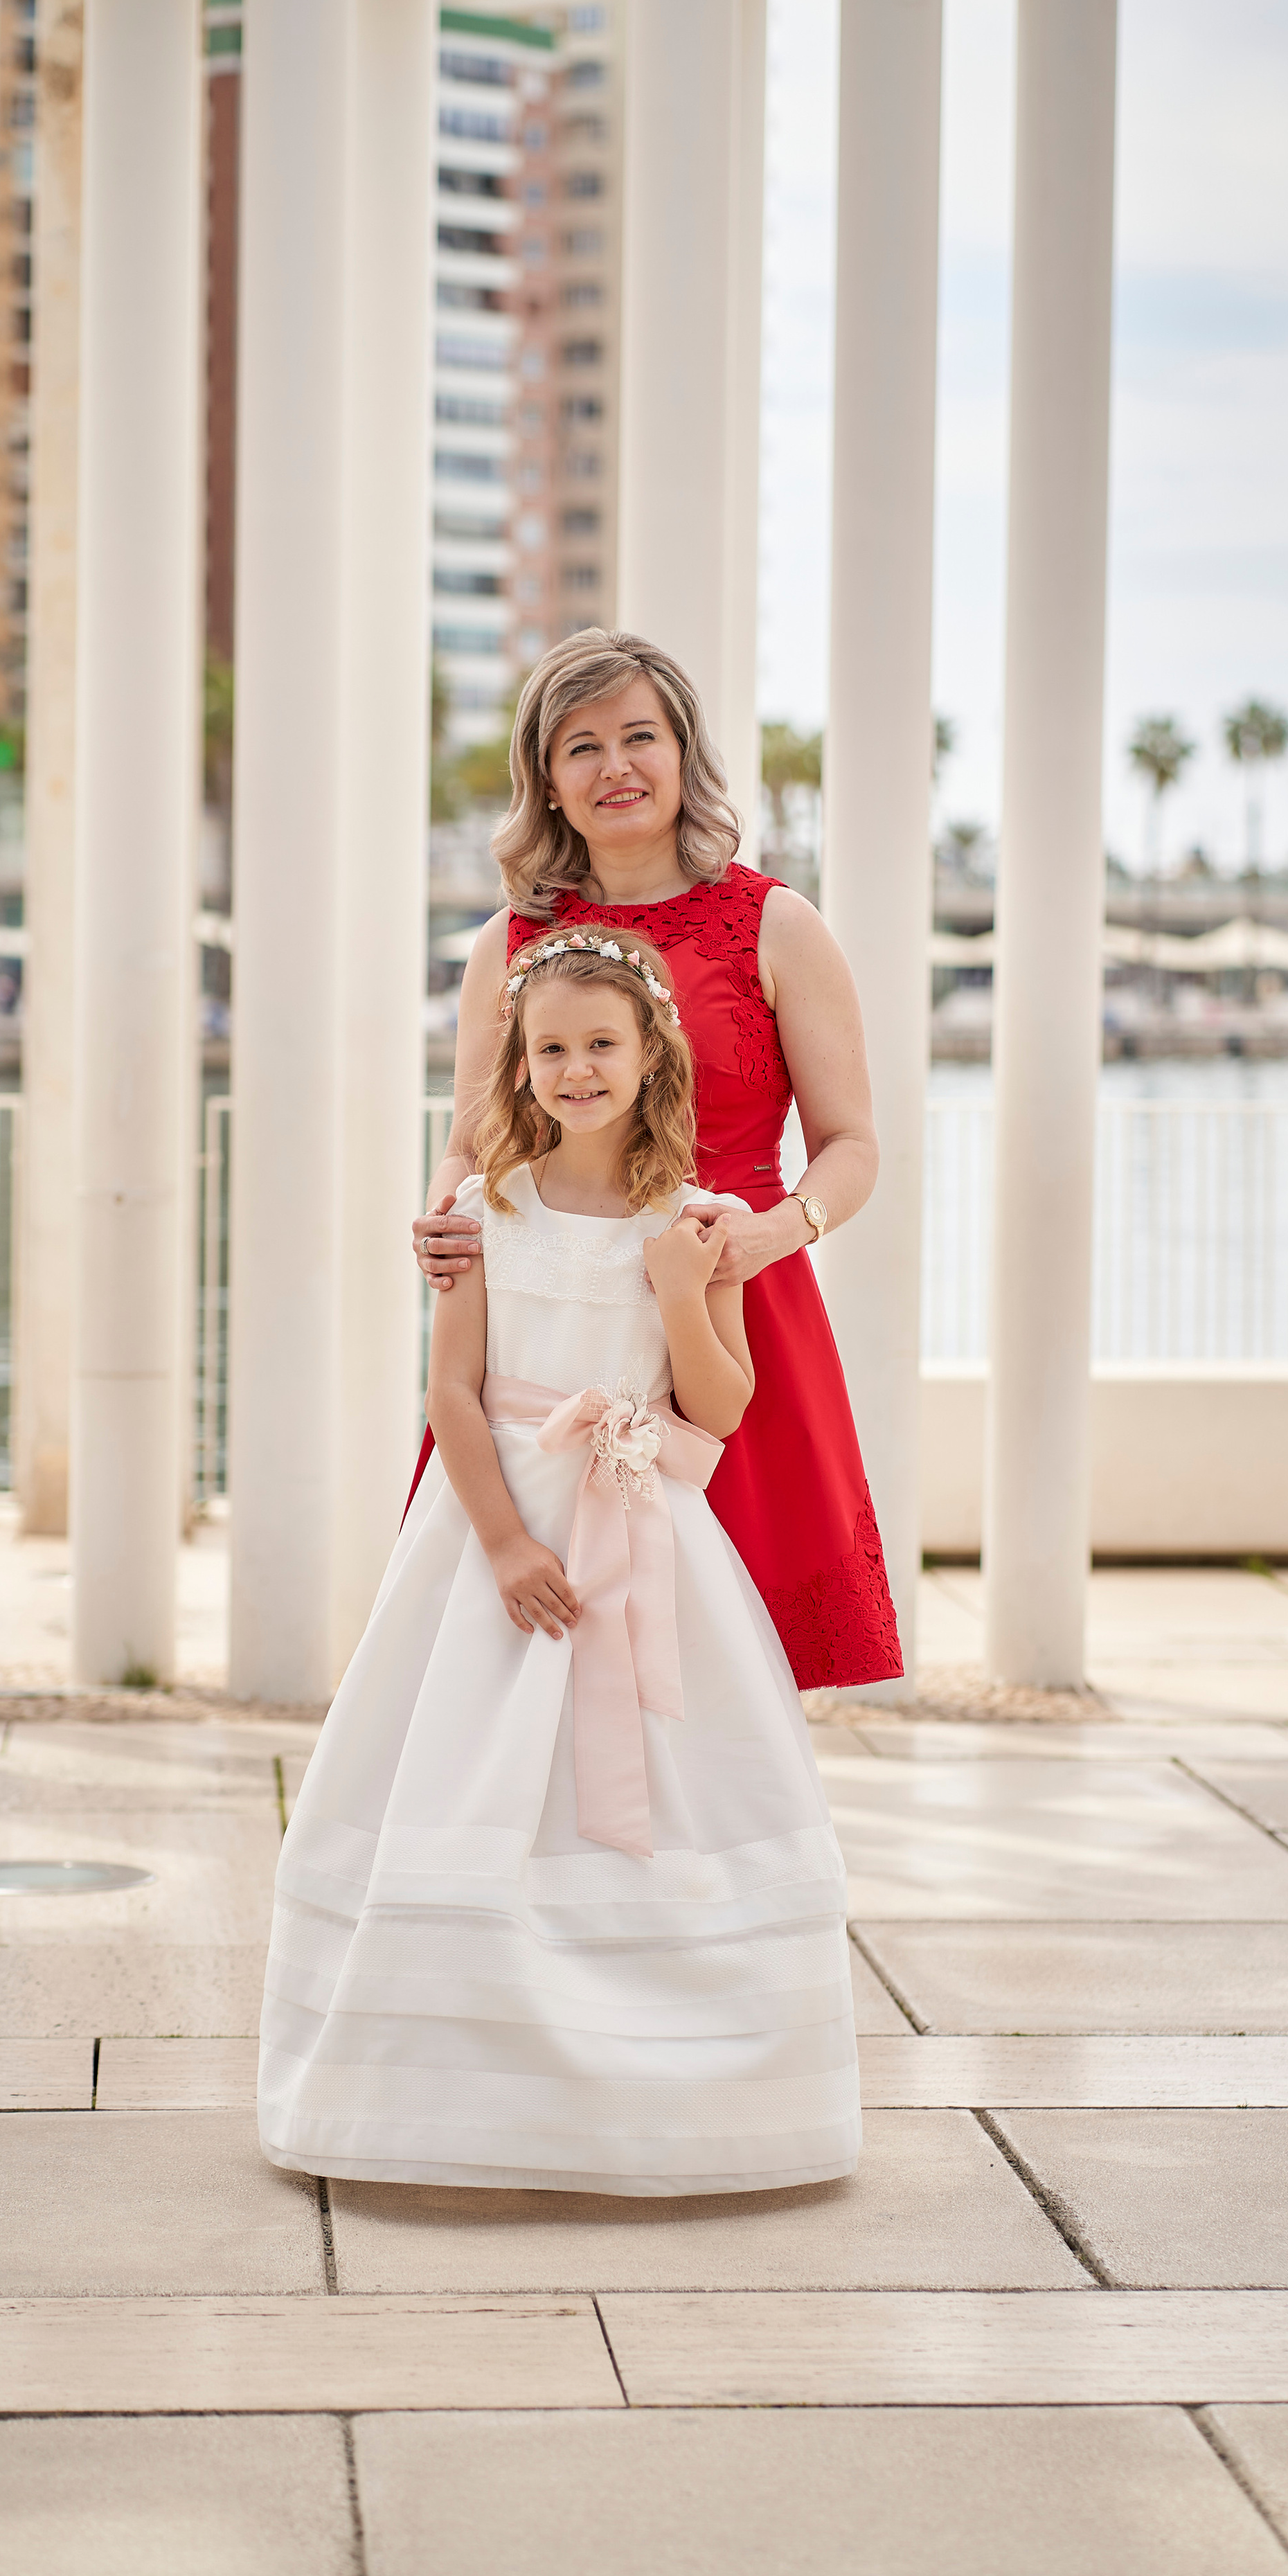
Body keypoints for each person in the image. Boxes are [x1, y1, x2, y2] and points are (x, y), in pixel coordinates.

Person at [259, 928, 860, 2194]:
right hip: (496, 1534)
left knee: (655, 1792)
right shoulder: (482, 1211)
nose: (577, 1069)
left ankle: (662, 2078)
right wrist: (507, 1545)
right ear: (515, 1069)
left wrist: (686, 1290)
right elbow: (455, 1399)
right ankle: (451, 2086)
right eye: (550, 1051)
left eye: (602, 1045)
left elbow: (721, 1408)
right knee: (471, 1774)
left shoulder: (699, 1218)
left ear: (652, 1057)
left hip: (643, 1532)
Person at [414, 627, 902, 1693]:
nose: (615, 767)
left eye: (641, 736)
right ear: (546, 778)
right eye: (580, 746)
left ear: (685, 753)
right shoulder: (507, 943)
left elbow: (854, 1146)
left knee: (731, 1670)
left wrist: (777, 1232)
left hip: (734, 1311)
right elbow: (472, 1134)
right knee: (537, 1650)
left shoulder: (780, 925)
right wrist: (443, 1208)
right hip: (554, 1332)